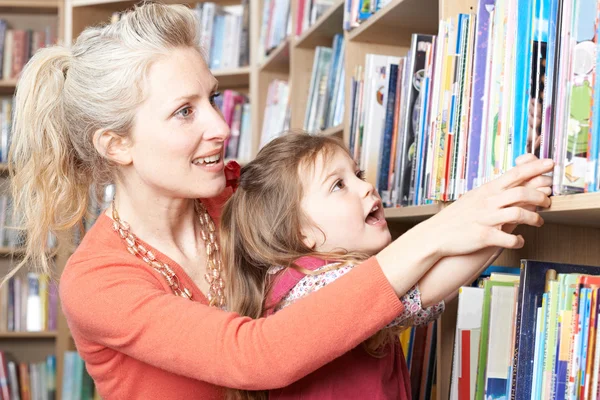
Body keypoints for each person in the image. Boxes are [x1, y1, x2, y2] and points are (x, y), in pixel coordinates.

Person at [7, 2, 553, 399]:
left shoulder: (246, 195)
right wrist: (441, 229)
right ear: (116, 143)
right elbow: (255, 356)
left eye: (213, 98)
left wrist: (496, 216)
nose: (221, 126)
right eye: (184, 111)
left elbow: (362, 294)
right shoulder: (95, 282)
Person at [220, 133, 551, 400]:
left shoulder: (294, 281)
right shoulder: (316, 288)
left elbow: (434, 287)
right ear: (298, 232)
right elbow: (430, 287)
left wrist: (512, 210)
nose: (366, 186)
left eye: (358, 174)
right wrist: (512, 206)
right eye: (338, 185)